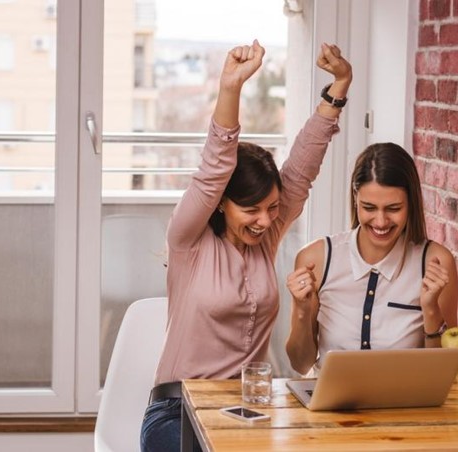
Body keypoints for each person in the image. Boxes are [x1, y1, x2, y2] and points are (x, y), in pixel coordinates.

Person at [140, 40, 352, 452]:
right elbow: (215, 165)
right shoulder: (188, 241)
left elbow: (302, 168)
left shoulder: (265, 237)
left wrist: (339, 86)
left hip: (248, 408)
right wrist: (231, 88)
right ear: (222, 202)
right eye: (251, 210)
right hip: (177, 410)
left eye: (273, 208)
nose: (265, 220)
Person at [285, 142, 458, 375]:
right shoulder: (317, 258)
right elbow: (301, 363)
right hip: (330, 408)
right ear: (355, 198)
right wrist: (301, 310)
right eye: (369, 207)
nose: (380, 222)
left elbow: (442, 373)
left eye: (393, 208)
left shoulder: (435, 261)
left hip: (404, 406)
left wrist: (430, 310)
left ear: (411, 203)